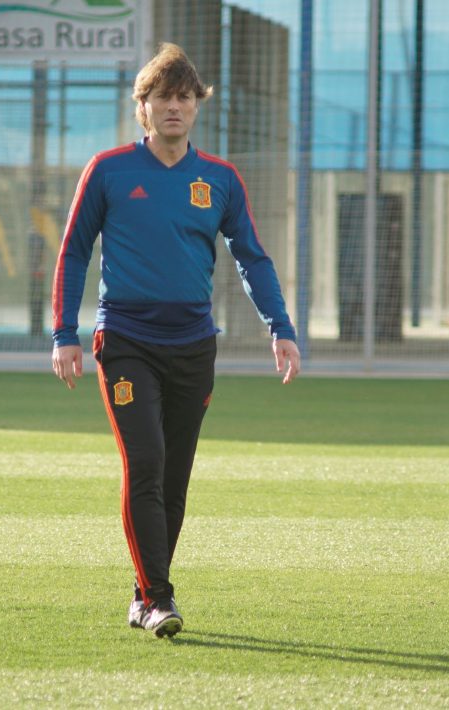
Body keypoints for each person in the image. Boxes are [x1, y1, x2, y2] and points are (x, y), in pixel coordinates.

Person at [51, 42, 300, 639]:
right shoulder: (108, 170)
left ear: (197, 107)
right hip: (127, 338)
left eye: (185, 96)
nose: (174, 106)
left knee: (176, 478)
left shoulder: (219, 179)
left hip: (193, 344)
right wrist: (65, 332)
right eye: (162, 96)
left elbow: (252, 258)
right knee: (147, 463)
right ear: (142, 107)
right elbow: (74, 251)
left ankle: (142, 595)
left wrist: (280, 327)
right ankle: (160, 598)